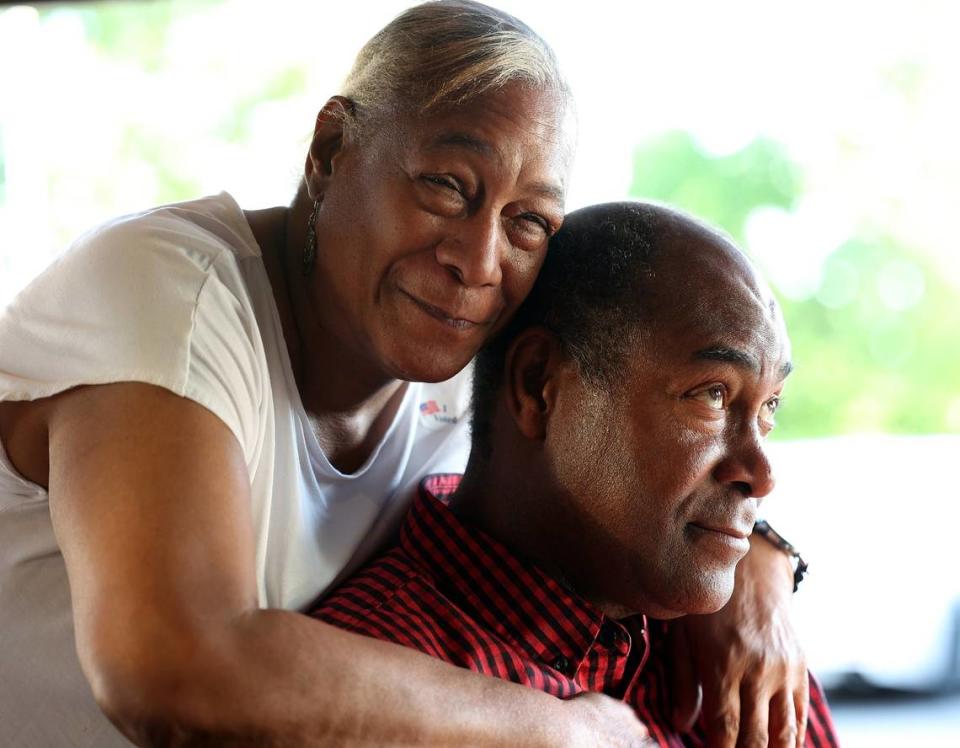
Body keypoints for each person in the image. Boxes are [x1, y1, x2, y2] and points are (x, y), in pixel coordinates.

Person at [0, 2, 807, 745]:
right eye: (448, 188)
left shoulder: (458, 346)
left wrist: (749, 568)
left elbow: (650, 418)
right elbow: (173, 666)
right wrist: (563, 731)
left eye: (528, 220)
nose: (478, 261)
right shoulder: (173, 293)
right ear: (330, 150)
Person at [315, 201, 839, 747]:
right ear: (540, 386)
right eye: (712, 395)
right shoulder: (352, 695)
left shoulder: (738, 661)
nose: (762, 475)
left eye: (769, 408)